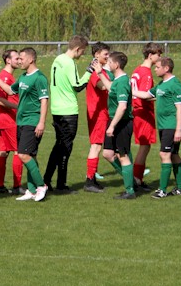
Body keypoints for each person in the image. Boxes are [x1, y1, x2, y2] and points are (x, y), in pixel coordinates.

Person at [0, 47, 50, 202]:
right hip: (20, 121)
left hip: (32, 121)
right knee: (30, 155)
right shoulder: (23, 77)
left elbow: (44, 101)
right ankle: (31, 190)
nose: (20, 61)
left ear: (31, 59)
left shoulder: (39, 78)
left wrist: (41, 122)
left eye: (21, 58)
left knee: (22, 154)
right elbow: (10, 91)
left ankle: (41, 185)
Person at [132, 57, 181, 198]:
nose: (155, 69)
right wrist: (130, 90)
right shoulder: (162, 84)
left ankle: (162, 190)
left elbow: (180, 109)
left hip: (171, 126)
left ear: (166, 68)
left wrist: (178, 130)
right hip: (163, 126)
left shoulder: (175, 85)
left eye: (157, 67)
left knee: (164, 155)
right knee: (173, 155)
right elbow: (145, 95)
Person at [44, 35, 92, 193]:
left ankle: (46, 180)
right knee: (65, 148)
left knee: (58, 147)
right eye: (82, 52)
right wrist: (90, 71)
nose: (82, 55)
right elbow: (77, 85)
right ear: (77, 49)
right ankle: (61, 184)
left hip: (57, 109)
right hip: (68, 111)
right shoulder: (69, 63)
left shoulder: (58, 59)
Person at [102, 52, 136, 200]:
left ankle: (130, 190)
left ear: (116, 65)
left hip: (121, 122)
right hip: (114, 120)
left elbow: (122, 107)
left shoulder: (122, 81)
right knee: (108, 154)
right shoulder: (117, 80)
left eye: (109, 62)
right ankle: (131, 181)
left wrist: (112, 126)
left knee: (123, 156)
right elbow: (110, 88)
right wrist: (99, 73)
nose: (107, 64)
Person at [131, 42, 164, 191]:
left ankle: (137, 178)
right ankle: (136, 179)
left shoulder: (138, 69)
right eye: (158, 54)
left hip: (137, 111)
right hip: (143, 112)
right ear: (150, 55)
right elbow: (145, 95)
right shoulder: (146, 73)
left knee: (145, 146)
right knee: (144, 147)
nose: (160, 57)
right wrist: (164, 96)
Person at [0, 49, 23, 195]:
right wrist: (18, 106)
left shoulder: (7, 76)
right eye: (16, 58)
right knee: (19, 151)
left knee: (3, 152)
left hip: (4, 120)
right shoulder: (4, 77)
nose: (19, 60)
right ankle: (17, 186)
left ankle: (0, 186)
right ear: (8, 60)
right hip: (9, 120)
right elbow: (0, 101)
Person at [84, 41, 112, 193]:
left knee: (97, 146)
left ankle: (92, 178)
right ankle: (89, 180)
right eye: (105, 54)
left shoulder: (102, 71)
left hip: (102, 113)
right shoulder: (96, 73)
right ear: (96, 55)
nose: (108, 57)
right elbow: (103, 87)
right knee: (95, 145)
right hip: (97, 114)